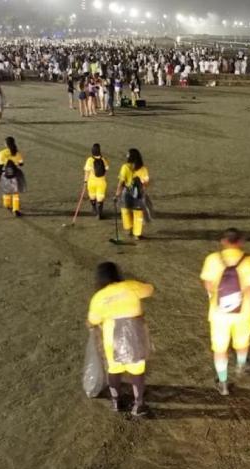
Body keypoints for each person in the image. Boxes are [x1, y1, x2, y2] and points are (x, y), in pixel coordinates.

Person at [200, 228, 250, 396]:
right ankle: (241, 366)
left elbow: (208, 284)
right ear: (240, 242)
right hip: (244, 313)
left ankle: (223, 383)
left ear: (223, 242)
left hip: (219, 314)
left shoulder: (213, 259)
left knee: (220, 349)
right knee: (242, 342)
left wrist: (212, 295)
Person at [87, 262, 154, 416]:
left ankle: (116, 401)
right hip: (134, 335)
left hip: (112, 338)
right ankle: (138, 404)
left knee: (114, 369)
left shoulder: (99, 297)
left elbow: (92, 320)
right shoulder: (130, 286)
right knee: (137, 369)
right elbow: (150, 289)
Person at [114, 148, 150, 240]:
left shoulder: (125, 167)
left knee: (126, 211)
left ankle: (129, 227)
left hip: (126, 194)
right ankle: (137, 233)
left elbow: (121, 183)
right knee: (138, 214)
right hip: (138, 195)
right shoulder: (143, 169)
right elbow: (146, 183)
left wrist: (117, 194)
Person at [0, 137, 26, 217]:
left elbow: (0, 165)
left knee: (6, 190)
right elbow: (21, 163)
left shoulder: (2, 153)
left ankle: (7, 204)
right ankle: (16, 209)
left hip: (5, 174)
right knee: (15, 193)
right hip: (15, 175)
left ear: (6, 144)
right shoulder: (17, 153)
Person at [84, 143, 110, 219]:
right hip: (101, 182)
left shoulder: (89, 160)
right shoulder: (103, 159)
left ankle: (94, 209)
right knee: (100, 198)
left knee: (92, 196)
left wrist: (85, 181)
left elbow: (86, 172)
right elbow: (107, 169)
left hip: (91, 182)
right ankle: (99, 213)